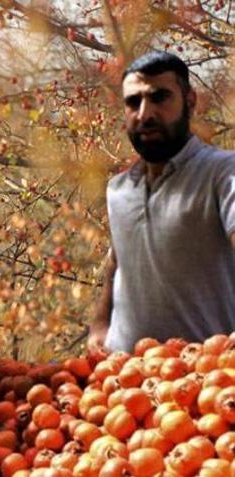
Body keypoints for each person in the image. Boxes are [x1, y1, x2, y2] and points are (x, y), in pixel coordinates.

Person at [89, 51, 235, 354]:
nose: (145, 113)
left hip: (201, 385)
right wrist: (99, 326)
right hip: (118, 385)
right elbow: (117, 263)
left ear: (190, 102)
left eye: (160, 98)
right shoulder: (118, 190)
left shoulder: (222, 173)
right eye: (134, 102)